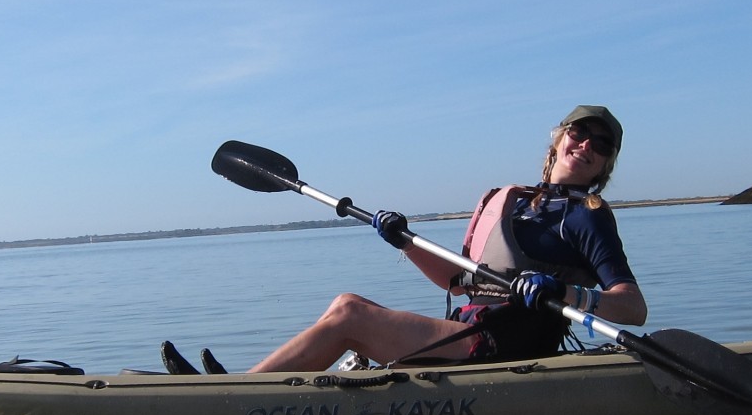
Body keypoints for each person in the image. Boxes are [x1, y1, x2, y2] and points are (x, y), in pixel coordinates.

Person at [245, 106, 646, 372]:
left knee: (352, 319)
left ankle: (239, 395)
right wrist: (404, 242)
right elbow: (458, 282)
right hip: (471, 326)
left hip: (506, 343)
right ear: (559, 139)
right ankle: (262, 391)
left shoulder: (587, 216)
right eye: (579, 132)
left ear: (606, 164)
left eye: (602, 144)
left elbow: (632, 307)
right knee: (346, 302)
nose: (586, 145)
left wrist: (568, 292)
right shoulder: (514, 202)